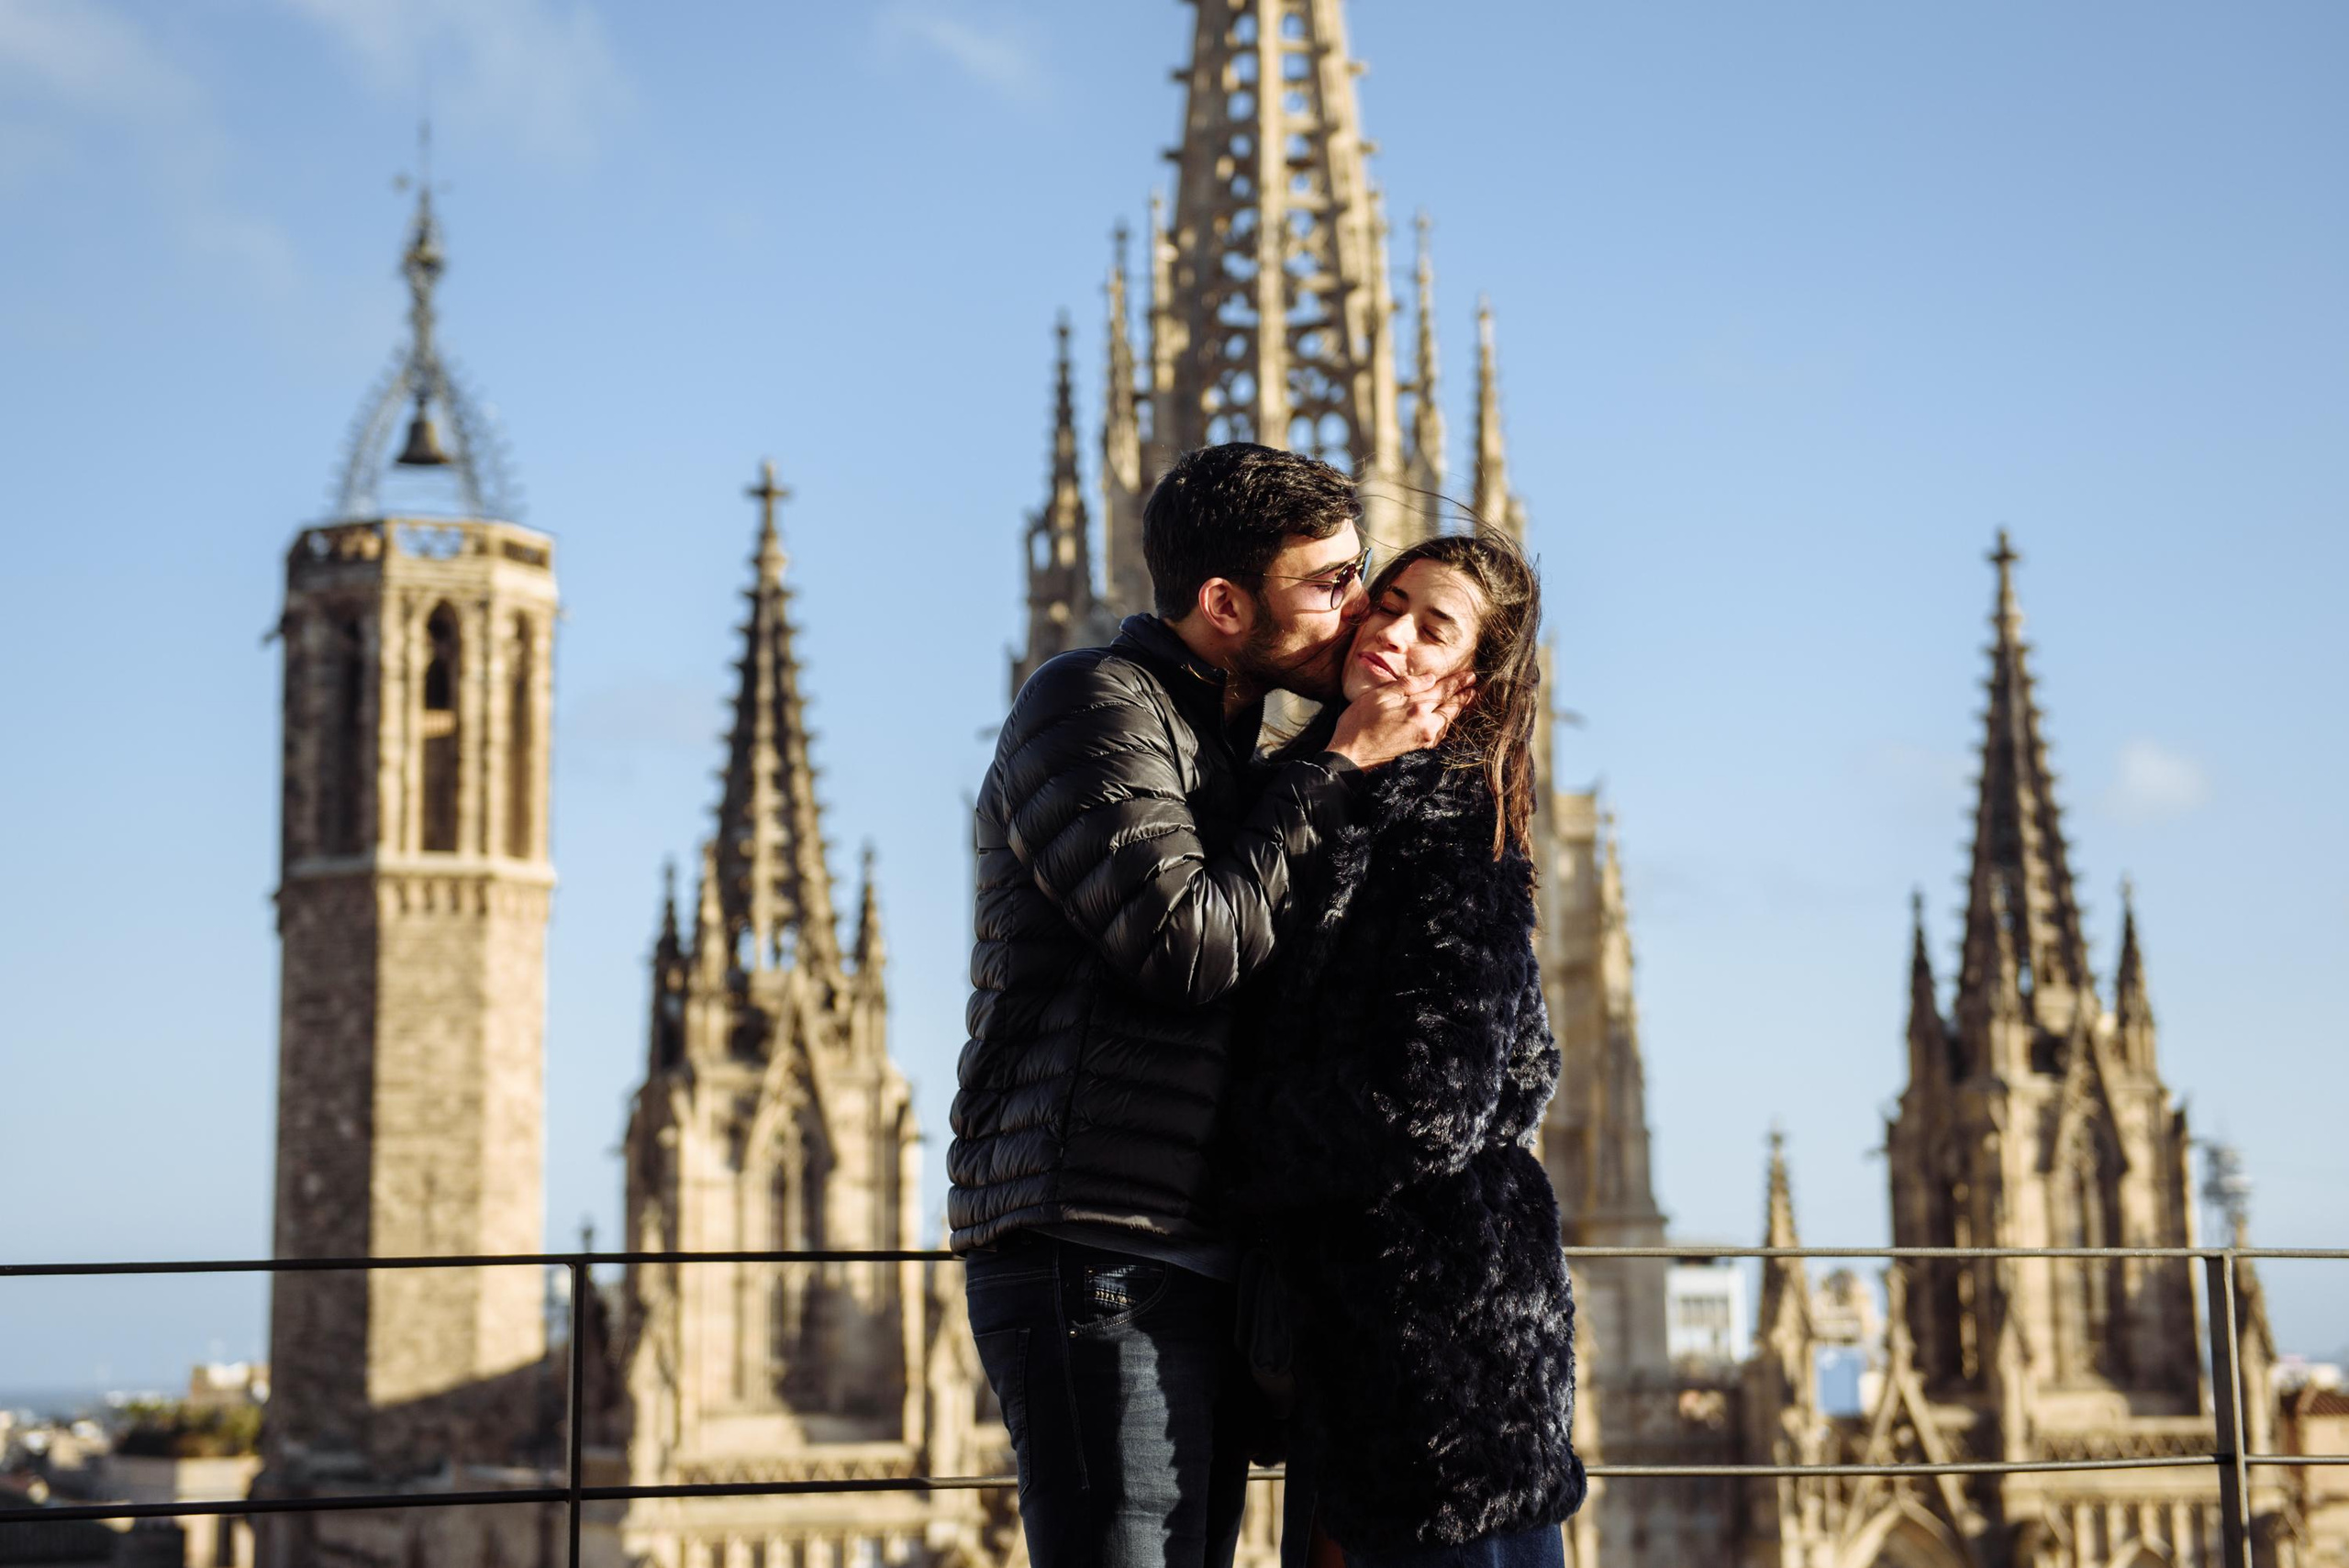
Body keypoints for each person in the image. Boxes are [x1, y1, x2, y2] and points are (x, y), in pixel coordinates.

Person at [949, 443, 1474, 1568]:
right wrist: (1335, 765)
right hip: (1097, 1250)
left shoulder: (1234, 750)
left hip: (1196, 1257)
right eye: (1329, 582)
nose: (1356, 612)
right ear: (1226, 602)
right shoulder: (1086, 701)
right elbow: (1185, 946)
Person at [1226, 530, 1586, 1568]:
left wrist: (1236, 1140)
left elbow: (1437, 1097)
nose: (1390, 631)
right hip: (1357, 1340)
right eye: (1382, 604)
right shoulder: (1323, 789)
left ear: (1465, 682)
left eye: (1431, 625)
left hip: (1438, 1351)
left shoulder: (1443, 818)